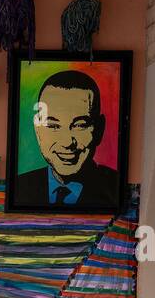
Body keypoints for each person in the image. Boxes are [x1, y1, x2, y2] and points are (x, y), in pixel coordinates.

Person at [16, 69, 119, 209]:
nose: (67, 143)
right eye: (53, 125)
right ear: (37, 130)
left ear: (99, 129)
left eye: (80, 125)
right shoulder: (19, 187)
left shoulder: (116, 188)